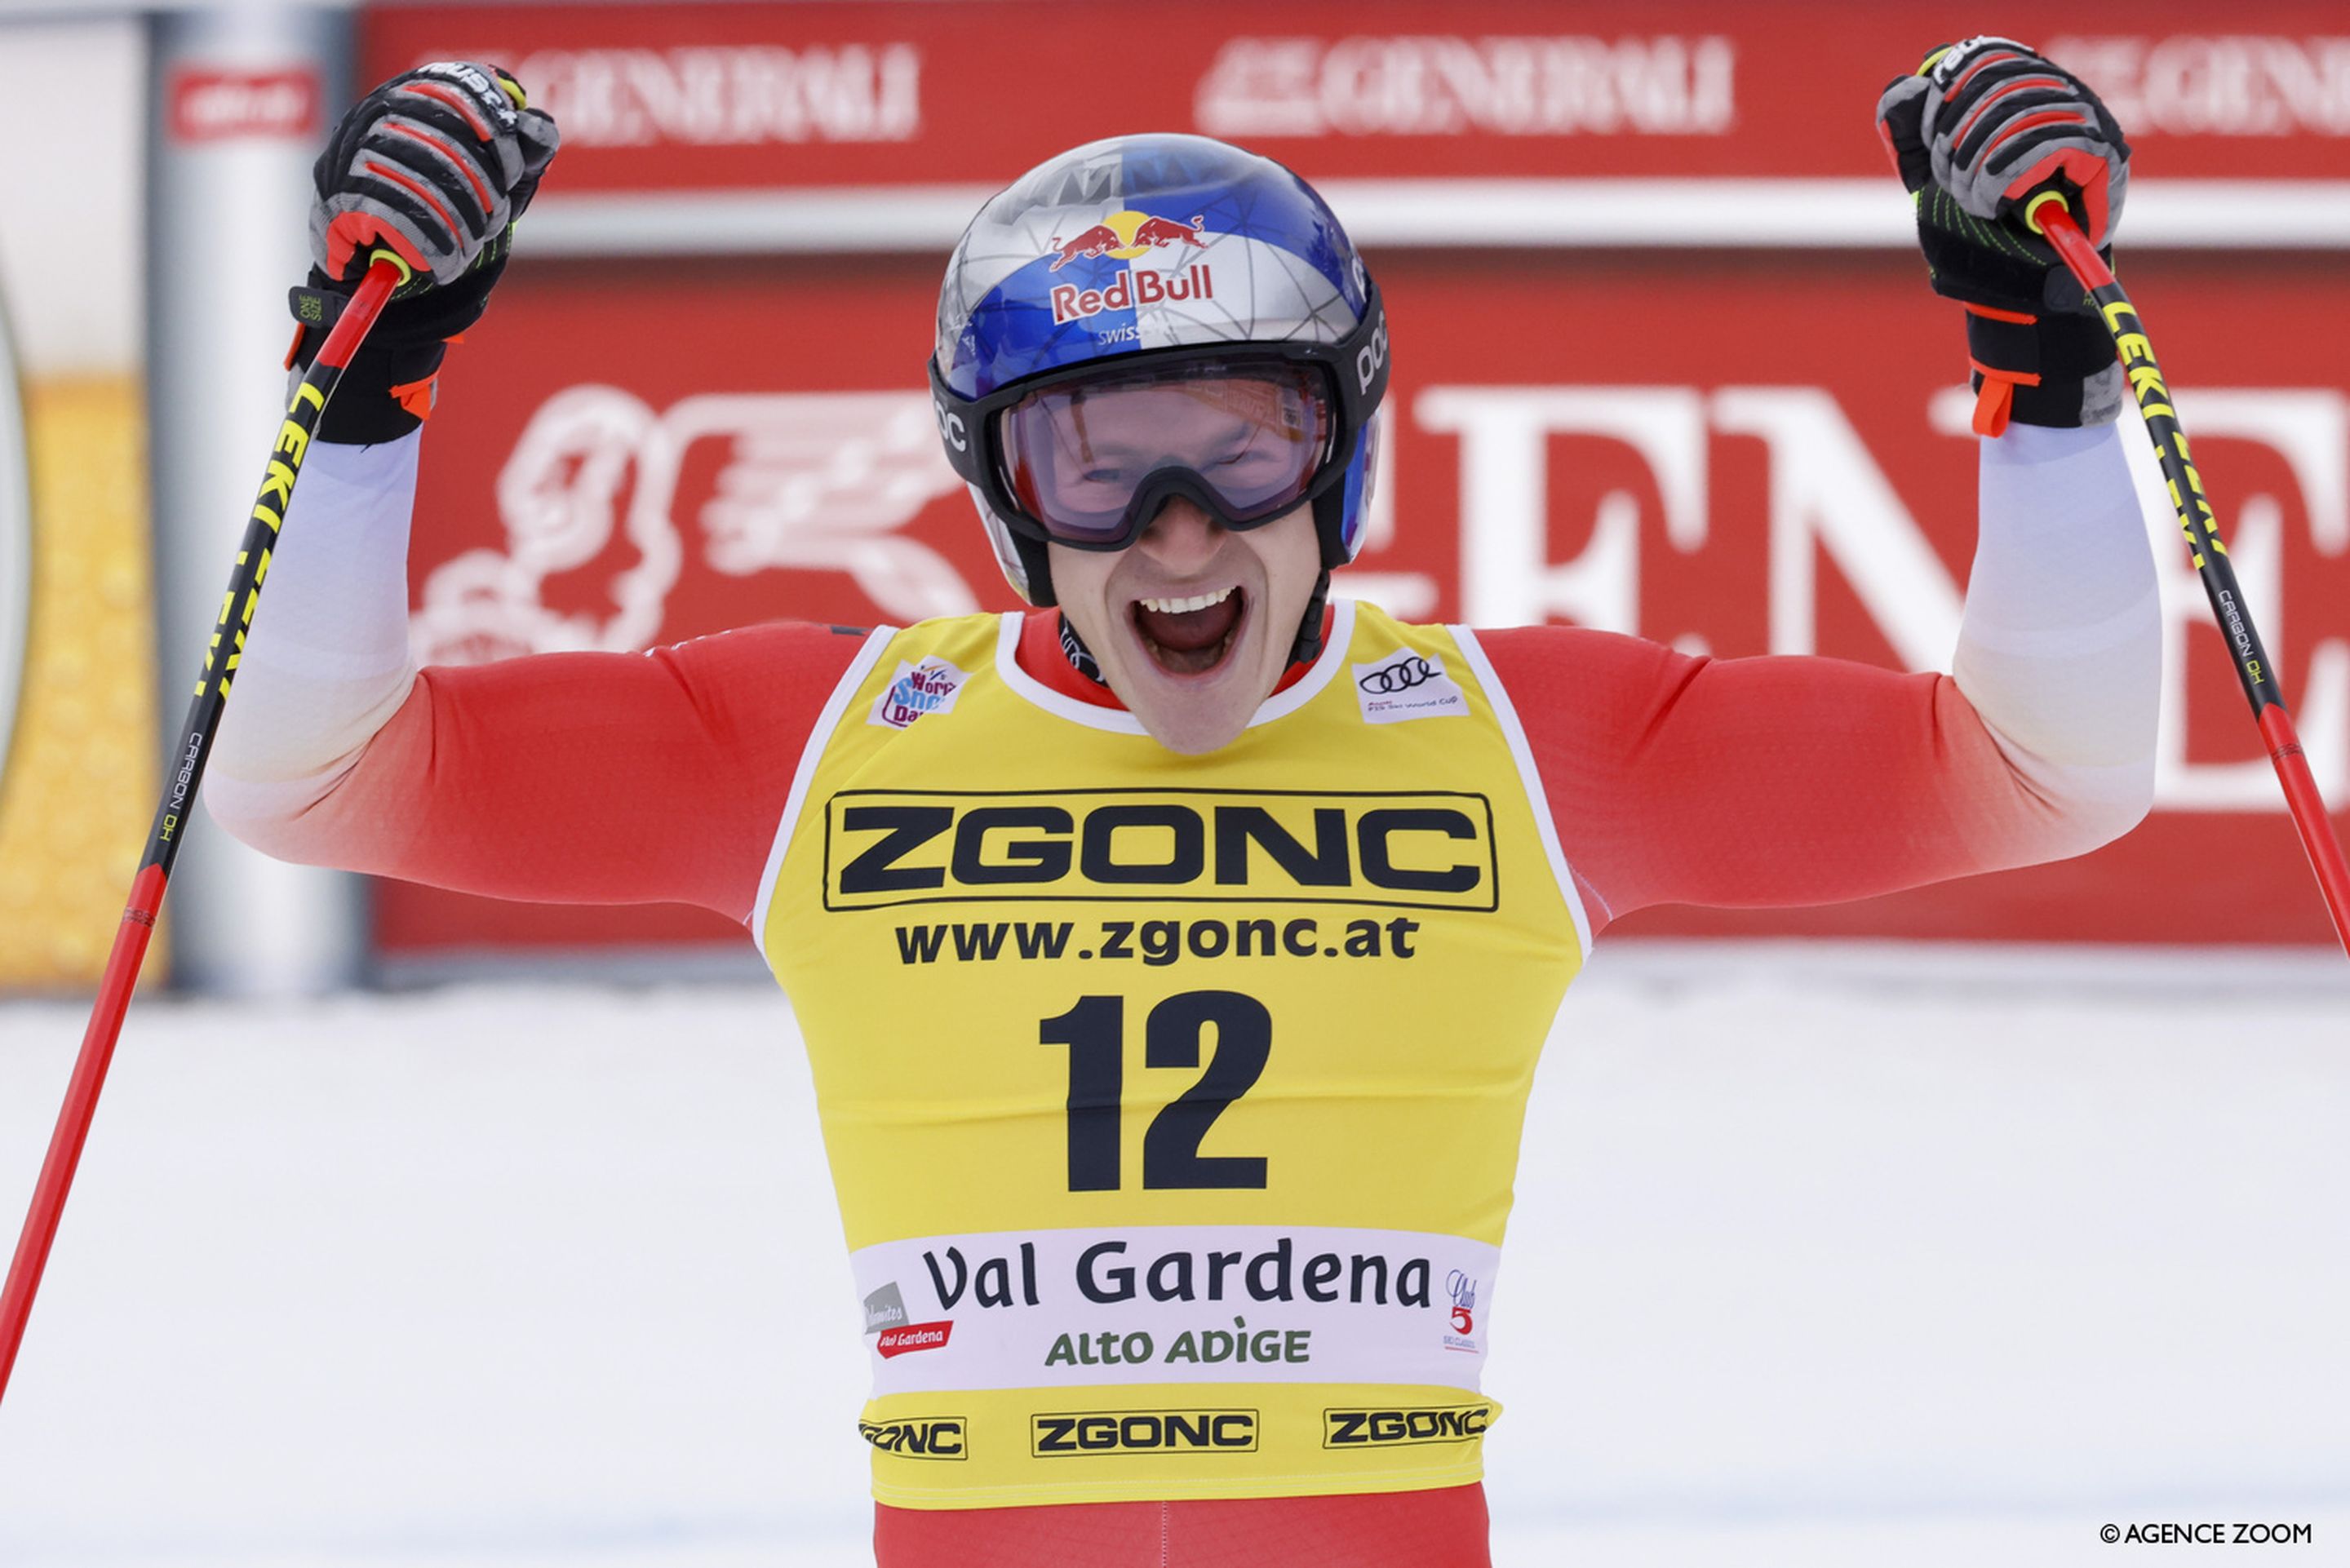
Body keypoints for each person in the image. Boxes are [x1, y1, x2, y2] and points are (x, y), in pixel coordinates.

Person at [209, 39, 2158, 1568]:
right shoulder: (818, 740)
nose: (1172, 538)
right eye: (1091, 460)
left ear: (1346, 456)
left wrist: (2041, 359)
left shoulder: (1515, 738)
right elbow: (308, 784)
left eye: (1242, 443)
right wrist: (365, 394)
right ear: (996, 493)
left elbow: (2037, 775)